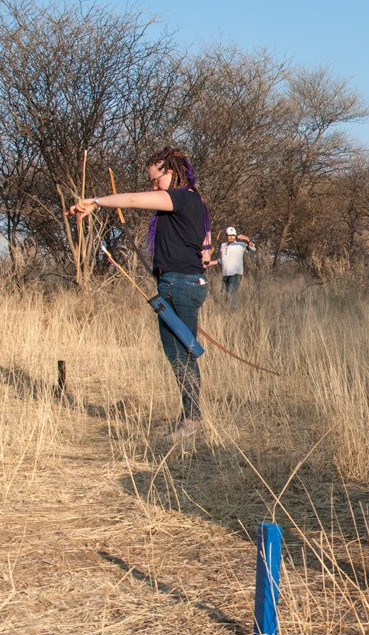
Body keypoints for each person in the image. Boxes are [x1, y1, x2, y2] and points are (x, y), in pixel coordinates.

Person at [70, 146, 211, 442]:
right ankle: (189, 417)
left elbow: (133, 200)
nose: (154, 187)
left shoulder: (183, 197)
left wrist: (95, 201)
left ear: (171, 173)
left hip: (181, 285)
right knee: (177, 354)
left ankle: (194, 422)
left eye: (156, 180)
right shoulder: (191, 202)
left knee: (182, 354)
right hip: (176, 283)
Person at [217, 226, 256, 303]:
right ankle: (227, 313)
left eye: (233, 235)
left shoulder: (240, 245)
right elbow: (222, 260)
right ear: (226, 235)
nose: (231, 237)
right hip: (225, 274)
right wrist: (208, 263)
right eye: (229, 235)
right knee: (225, 295)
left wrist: (247, 239)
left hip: (236, 274)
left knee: (231, 294)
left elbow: (253, 248)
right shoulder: (223, 246)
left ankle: (233, 312)